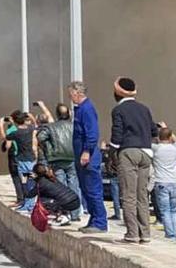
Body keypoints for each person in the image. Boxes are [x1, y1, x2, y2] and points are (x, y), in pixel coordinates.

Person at [109, 77, 158, 244]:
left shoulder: (119, 110)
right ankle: (145, 234)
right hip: (146, 153)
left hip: (128, 152)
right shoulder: (144, 109)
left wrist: (111, 152)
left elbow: (117, 134)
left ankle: (132, 234)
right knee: (142, 195)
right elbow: (154, 130)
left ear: (117, 92)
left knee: (128, 195)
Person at [69, 81, 108, 233]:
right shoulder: (80, 109)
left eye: (71, 94)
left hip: (89, 158)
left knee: (93, 190)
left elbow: (92, 133)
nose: (70, 97)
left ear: (77, 93)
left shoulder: (87, 109)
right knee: (85, 190)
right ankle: (93, 219)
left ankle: (100, 222)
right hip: (81, 157)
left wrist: (86, 151)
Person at [36, 101, 83, 222]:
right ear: (69, 114)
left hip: (57, 159)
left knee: (61, 186)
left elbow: (40, 137)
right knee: (74, 183)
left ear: (57, 114)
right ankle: (75, 214)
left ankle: (64, 212)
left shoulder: (51, 127)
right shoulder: (74, 126)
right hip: (72, 158)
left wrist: (50, 148)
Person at [0, 111, 38, 212]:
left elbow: (5, 138)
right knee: (31, 182)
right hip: (31, 159)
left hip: (22, 161)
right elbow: (35, 125)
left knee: (25, 183)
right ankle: (29, 204)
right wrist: (31, 116)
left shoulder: (16, 133)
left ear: (16, 121)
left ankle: (28, 205)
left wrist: (0, 125)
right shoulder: (30, 129)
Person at [151, 124, 176, 240]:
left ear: (159, 138)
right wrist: (166, 127)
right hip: (174, 181)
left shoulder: (156, 148)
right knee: (173, 210)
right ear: (170, 137)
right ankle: (173, 232)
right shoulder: (175, 147)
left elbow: (148, 142)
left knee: (165, 211)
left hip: (161, 181)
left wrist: (156, 132)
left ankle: (170, 234)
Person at [2, 120, 24, 203]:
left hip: (14, 158)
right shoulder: (23, 131)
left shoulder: (11, 132)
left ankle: (20, 198)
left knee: (16, 178)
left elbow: (8, 145)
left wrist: (1, 125)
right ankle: (25, 197)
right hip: (23, 157)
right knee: (24, 178)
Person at [101, 143, 122, 221]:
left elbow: (106, 161)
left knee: (115, 197)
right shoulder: (122, 153)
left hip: (114, 175)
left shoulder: (111, 154)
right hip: (123, 175)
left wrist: (103, 150)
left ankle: (117, 214)